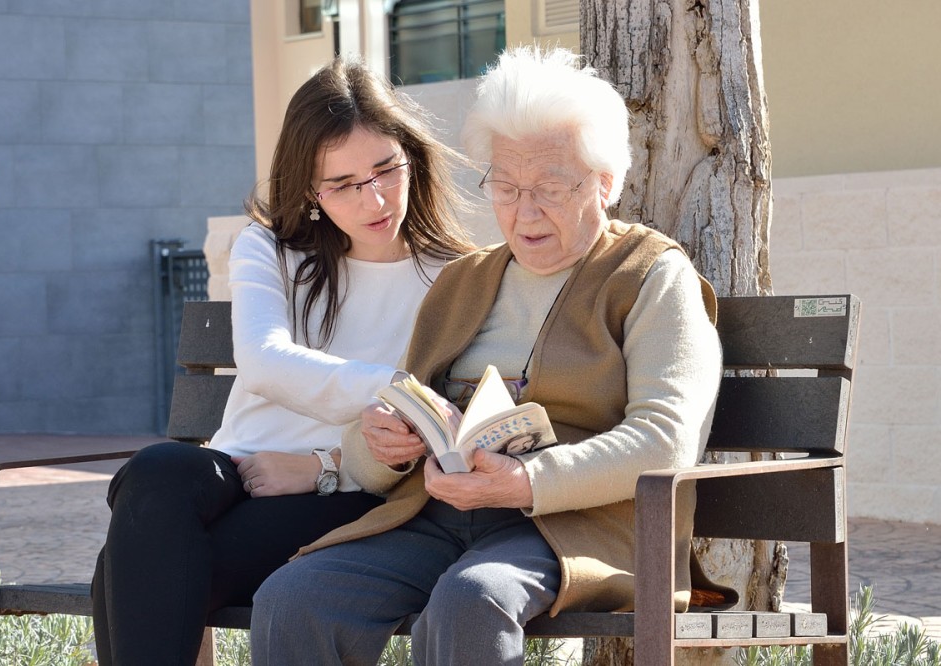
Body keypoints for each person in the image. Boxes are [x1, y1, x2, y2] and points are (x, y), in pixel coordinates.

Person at [250, 46, 736, 666]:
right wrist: (380, 443)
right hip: (440, 517)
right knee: (295, 597)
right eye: (505, 186)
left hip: (580, 525)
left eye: (550, 188)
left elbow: (666, 439)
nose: (523, 211)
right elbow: (391, 439)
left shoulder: (650, 274)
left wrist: (526, 481)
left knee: (474, 597)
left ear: (606, 184)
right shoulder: (465, 281)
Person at [90, 56, 474, 666]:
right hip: (230, 476)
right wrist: (397, 387)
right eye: (343, 183)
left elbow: (443, 431)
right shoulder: (269, 248)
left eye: (384, 169)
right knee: (159, 470)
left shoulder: (455, 276)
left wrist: (324, 466)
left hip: (347, 499)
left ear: (412, 157)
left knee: (131, 562)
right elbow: (265, 362)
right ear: (307, 190)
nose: (373, 198)